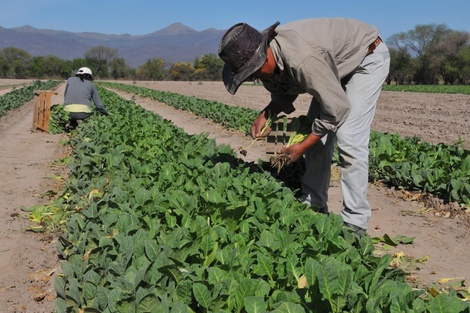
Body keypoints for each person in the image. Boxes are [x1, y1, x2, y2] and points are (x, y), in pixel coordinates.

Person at [218, 18, 390, 235]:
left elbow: (336, 109)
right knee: (316, 139)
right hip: (331, 68)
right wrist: (267, 114)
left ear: (264, 55)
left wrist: (302, 146)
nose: (254, 77)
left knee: (349, 137)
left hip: (366, 59)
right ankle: (314, 202)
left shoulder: (302, 58)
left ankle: (355, 222)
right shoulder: (268, 65)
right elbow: (283, 93)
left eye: (253, 71)